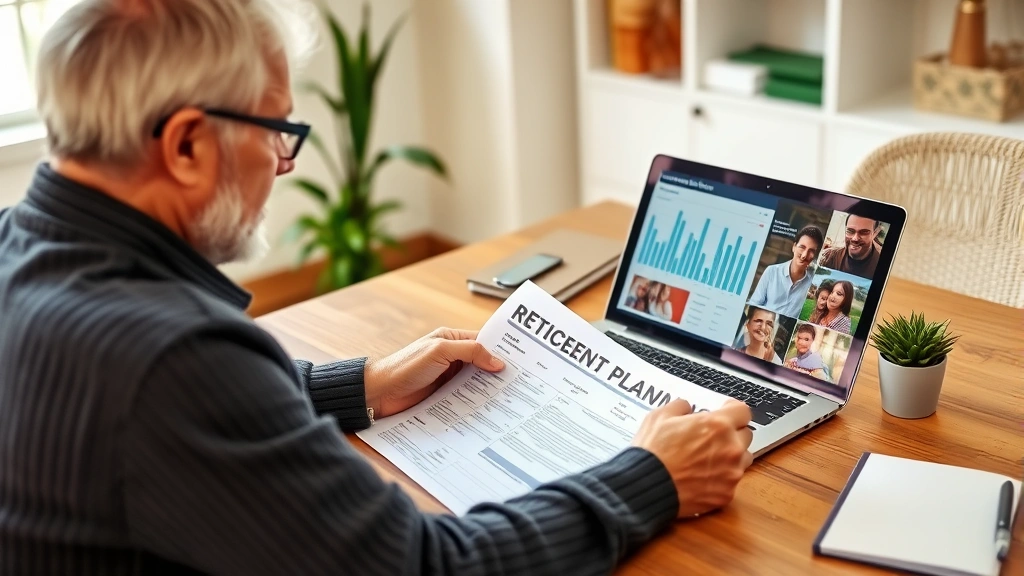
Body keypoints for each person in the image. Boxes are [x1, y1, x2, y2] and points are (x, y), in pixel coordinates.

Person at [0, 1, 755, 574]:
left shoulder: (19, 245)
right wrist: (652, 477)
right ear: (188, 144)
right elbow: (427, 565)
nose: (284, 163)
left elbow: (192, 421)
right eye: (276, 132)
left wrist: (360, 384)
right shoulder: (169, 358)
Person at [747, 225, 824, 318]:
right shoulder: (772, 271)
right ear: (794, 247)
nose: (804, 255)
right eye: (802, 247)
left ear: (815, 256)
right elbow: (754, 306)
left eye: (811, 251)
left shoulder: (813, 281)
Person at [818, 214, 883, 278]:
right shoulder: (828, 257)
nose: (855, 238)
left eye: (864, 232)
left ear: (875, 233)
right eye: (850, 231)